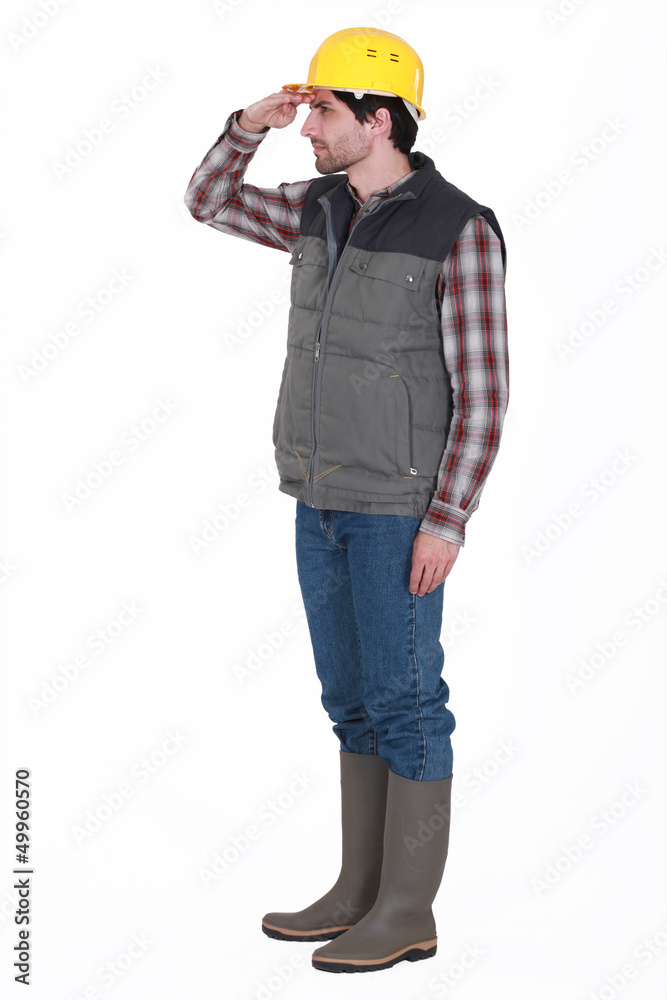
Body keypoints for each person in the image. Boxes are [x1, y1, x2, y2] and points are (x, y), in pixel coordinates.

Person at [184, 26, 509, 974]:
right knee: (349, 701)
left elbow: (484, 392)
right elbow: (208, 201)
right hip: (317, 495)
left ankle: (406, 910)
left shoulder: (456, 227)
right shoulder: (318, 207)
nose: (308, 127)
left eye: (323, 110)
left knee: (406, 701)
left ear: (379, 119)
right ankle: (357, 890)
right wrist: (246, 125)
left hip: (398, 509)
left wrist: (446, 520)